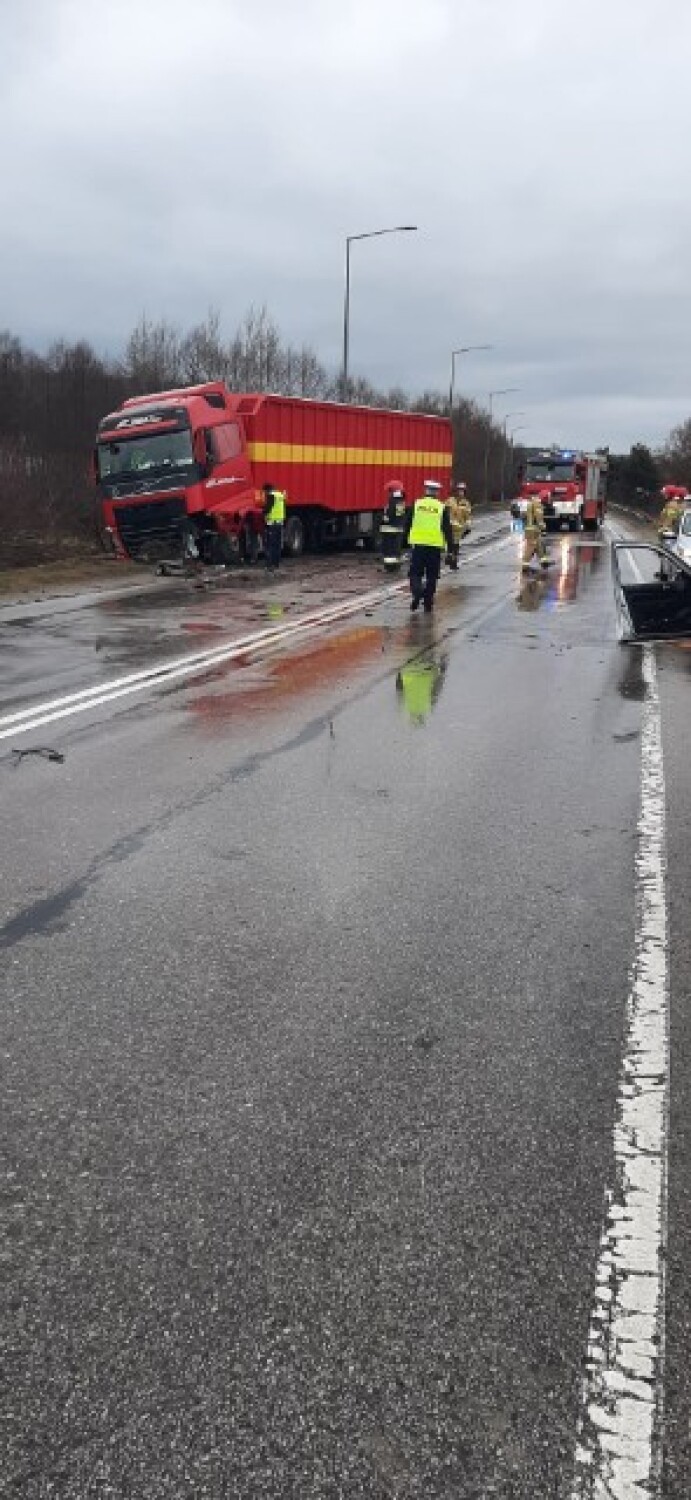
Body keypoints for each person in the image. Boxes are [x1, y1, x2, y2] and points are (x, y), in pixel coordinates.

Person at [403, 478, 453, 611]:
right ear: (437, 493)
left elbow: (407, 524)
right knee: (432, 575)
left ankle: (417, 592)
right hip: (434, 546)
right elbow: (447, 529)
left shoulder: (416, 504)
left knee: (415, 573)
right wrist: (451, 549)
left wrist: (404, 543)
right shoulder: (441, 507)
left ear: (425, 491)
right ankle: (428, 602)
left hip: (418, 545)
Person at [381, 481, 407, 568]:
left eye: (390, 490)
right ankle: (395, 565)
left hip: (390, 529)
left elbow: (390, 515)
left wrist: (384, 519)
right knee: (396, 549)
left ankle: (390, 567)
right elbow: (399, 515)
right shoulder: (400, 500)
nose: (389, 492)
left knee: (389, 550)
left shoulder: (393, 500)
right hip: (397, 528)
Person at [263, 482, 287, 570]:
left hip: (272, 523)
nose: (265, 494)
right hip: (280, 523)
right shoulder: (280, 495)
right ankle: (276, 564)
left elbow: (268, 508)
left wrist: (263, 513)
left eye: (265, 492)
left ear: (267, 490)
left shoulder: (271, 495)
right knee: (277, 544)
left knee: (271, 545)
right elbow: (283, 507)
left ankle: (269, 565)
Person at [523, 492, 549, 570]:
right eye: (547, 499)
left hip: (532, 529)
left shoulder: (532, 503)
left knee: (539, 546)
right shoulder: (537, 505)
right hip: (533, 530)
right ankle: (525, 565)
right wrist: (543, 527)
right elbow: (539, 519)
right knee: (530, 547)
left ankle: (544, 562)